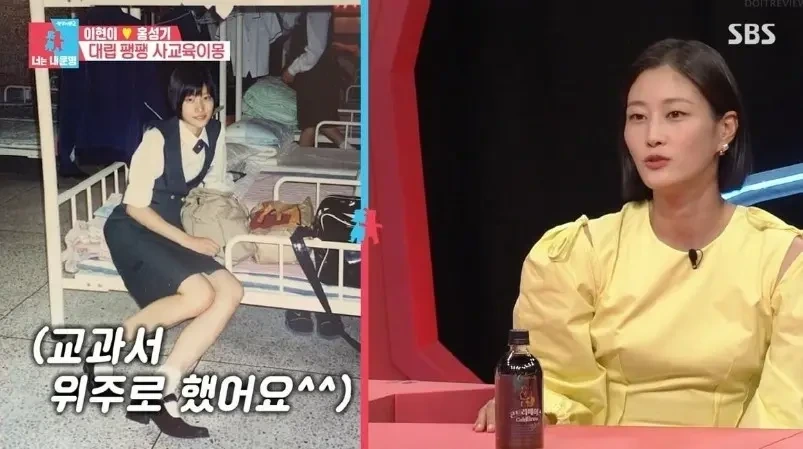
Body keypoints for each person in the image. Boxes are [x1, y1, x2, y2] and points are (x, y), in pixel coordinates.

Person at [473, 38, 803, 430]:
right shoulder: (577, 254)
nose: (652, 136)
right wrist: (531, 407)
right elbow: (560, 390)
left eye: (675, 114)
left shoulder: (783, 259)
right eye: (637, 117)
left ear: (725, 130)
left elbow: (786, 411)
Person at [86, 65, 244, 439]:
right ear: (177, 101)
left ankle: (160, 389)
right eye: (191, 99)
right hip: (135, 228)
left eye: (206, 97)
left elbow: (215, 185)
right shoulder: (157, 138)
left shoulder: (215, 132)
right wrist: (190, 242)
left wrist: (238, 219)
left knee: (231, 290)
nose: (201, 107)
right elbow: (135, 206)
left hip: (174, 226)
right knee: (200, 295)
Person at [281, 7, 352, 150]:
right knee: (313, 123)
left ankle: (350, 151)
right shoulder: (309, 9)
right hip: (315, 74)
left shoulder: (318, 10)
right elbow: (288, 23)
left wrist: (291, 70)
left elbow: (315, 50)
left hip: (317, 74)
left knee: (316, 122)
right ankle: (349, 150)